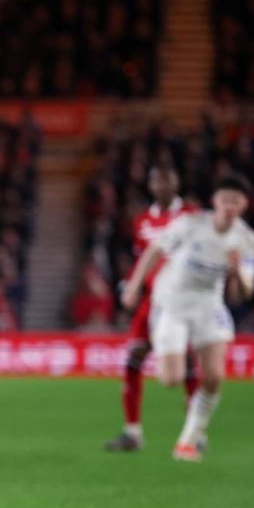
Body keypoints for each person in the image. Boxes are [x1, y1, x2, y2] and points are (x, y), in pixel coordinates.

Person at [120, 174, 254, 462]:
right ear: (215, 202)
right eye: (225, 200)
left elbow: (245, 291)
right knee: (171, 378)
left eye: (236, 201)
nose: (230, 206)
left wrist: (236, 273)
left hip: (209, 304)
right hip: (172, 301)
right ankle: (175, 356)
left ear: (244, 204)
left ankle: (188, 441)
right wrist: (134, 286)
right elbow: (155, 250)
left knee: (215, 377)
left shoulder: (245, 239)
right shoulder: (191, 224)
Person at [105, 166, 197, 452]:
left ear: (177, 181)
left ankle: (195, 433)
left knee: (189, 364)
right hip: (152, 300)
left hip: (184, 299)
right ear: (150, 184)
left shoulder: (192, 216)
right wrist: (132, 285)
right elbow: (141, 259)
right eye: (156, 179)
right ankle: (133, 433)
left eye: (166, 178)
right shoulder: (142, 221)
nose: (161, 185)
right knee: (134, 356)